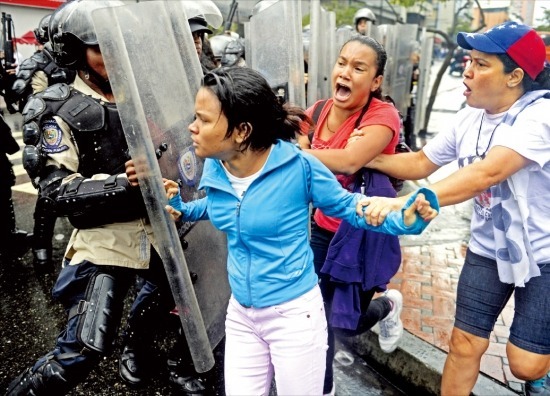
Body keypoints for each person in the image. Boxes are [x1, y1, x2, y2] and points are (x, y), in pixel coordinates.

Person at [134, 65, 438, 396]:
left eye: (204, 120)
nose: (192, 128)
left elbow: (351, 207)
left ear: (241, 131)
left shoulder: (299, 167)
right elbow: (222, 207)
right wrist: (184, 209)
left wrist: (403, 218)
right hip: (242, 316)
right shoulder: (217, 167)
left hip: (293, 318)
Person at [362, 21, 550, 396]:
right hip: (487, 251)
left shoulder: (541, 116)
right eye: (469, 60)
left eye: (481, 64)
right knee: (465, 344)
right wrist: (364, 158)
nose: (467, 70)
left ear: (514, 77)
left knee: (525, 364)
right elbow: (419, 163)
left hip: (544, 254)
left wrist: (404, 201)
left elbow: (487, 171)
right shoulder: (469, 118)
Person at [5, 1, 175, 394]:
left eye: (121, 46)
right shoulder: (57, 106)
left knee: (186, 303)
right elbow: (53, 188)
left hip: (164, 226)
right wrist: (121, 182)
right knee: (81, 350)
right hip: (104, 237)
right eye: (101, 47)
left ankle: (136, 346)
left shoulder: (147, 94)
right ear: (75, 48)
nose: (114, 58)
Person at [296, 34, 406, 396]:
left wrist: (301, 151)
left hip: (363, 231)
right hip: (322, 228)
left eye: (358, 68)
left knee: (347, 321)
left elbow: (349, 160)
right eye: (342, 63)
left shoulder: (382, 115)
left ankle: (387, 305)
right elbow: (304, 156)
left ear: (375, 81)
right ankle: (323, 389)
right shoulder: (317, 111)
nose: (345, 72)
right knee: (316, 318)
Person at [117, 13, 220, 394]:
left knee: (203, 270)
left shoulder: (207, 73)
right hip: (159, 185)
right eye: (188, 36)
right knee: (164, 277)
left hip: (198, 179)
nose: (194, 42)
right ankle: (135, 344)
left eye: (198, 37)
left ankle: (186, 353)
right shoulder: (140, 77)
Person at [12, 10, 76, 269]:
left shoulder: (77, 58)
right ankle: (41, 248)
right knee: (49, 193)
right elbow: (32, 104)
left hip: (82, 127)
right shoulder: (38, 64)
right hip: (52, 131)